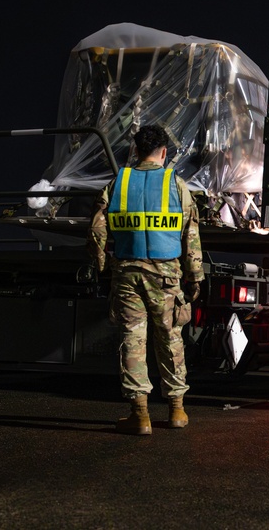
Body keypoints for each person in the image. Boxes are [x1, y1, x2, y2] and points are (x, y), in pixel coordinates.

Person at [88, 124, 204, 435]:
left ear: (136, 151)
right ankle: (177, 410)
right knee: (170, 337)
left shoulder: (118, 184)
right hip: (166, 275)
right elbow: (191, 238)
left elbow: (98, 230)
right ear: (164, 152)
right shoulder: (177, 186)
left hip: (127, 272)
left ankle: (139, 415)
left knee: (132, 339)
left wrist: (102, 268)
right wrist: (194, 279)